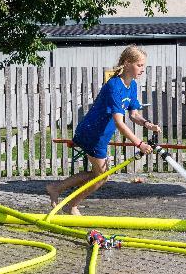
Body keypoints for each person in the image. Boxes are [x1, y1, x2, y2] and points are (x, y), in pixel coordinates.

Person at [46, 45, 161, 215]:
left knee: (98, 174)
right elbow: (120, 123)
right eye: (139, 65)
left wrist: (147, 124)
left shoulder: (132, 85)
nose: (142, 69)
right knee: (102, 175)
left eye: (143, 65)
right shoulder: (114, 86)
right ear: (127, 63)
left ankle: (57, 189)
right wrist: (139, 144)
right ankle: (70, 204)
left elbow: (134, 114)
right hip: (92, 133)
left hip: (100, 134)